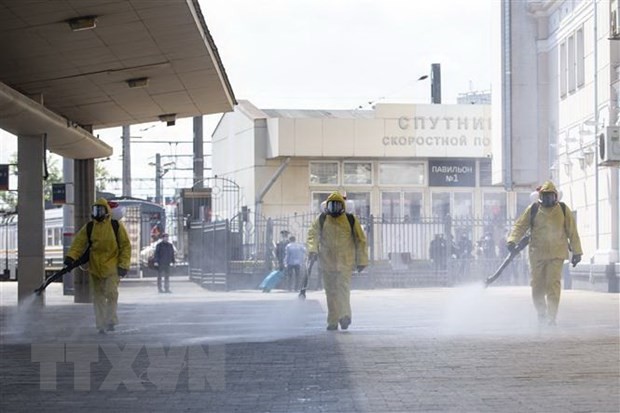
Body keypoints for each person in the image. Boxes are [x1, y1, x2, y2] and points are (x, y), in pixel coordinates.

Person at [506, 180, 582, 326]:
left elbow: (572, 232)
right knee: (537, 286)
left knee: (553, 284)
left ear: (555, 196)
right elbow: (520, 226)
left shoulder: (563, 209)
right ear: (540, 196)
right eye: (545, 196)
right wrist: (512, 240)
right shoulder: (533, 209)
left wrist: (577, 251)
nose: (548, 199)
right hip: (537, 255)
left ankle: (551, 317)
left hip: (556, 254)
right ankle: (541, 313)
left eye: (551, 196)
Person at [65, 198, 131, 335]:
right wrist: (71, 257)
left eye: (101, 210)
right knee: (98, 297)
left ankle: (111, 320)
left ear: (107, 211)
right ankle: (101, 324)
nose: (98, 213)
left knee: (111, 293)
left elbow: (125, 246)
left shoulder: (116, 226)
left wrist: (123, 265)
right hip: (95, 268)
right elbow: (78, 243)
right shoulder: (89, 227)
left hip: (112, 267)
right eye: (96, 210)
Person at [307, 191, 368, 331]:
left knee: (343, 289)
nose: (334, 208)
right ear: (327, 206)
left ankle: (344, 316)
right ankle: (332, 321)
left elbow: (361, 240)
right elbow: (312, 235)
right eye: (332, 205)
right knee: (331, 292)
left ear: (343, 206)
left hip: (345, 263)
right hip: (327, 263)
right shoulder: (322, 219)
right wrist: (312, 249)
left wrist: (362, 261)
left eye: (337, 205)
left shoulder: (350, 219)